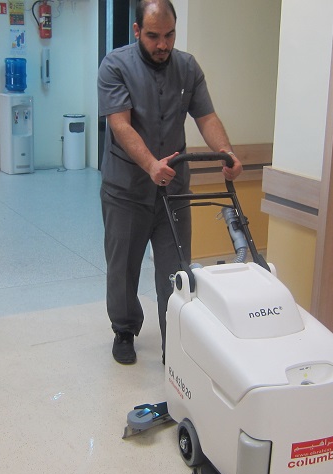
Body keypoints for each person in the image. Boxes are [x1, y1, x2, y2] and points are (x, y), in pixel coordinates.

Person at [97, 0, 243, 365]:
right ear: (136, 31)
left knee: (176, 269)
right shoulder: (115, 66)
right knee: (123, 267)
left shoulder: (188, 68)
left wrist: (226, 153)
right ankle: (124, 329)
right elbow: (120, 124)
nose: (162, 44)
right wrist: (150, 164)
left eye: (169, 35)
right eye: (153, 36)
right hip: (127, 189)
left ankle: (174, 340)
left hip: (173, 192)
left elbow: (206, 117)